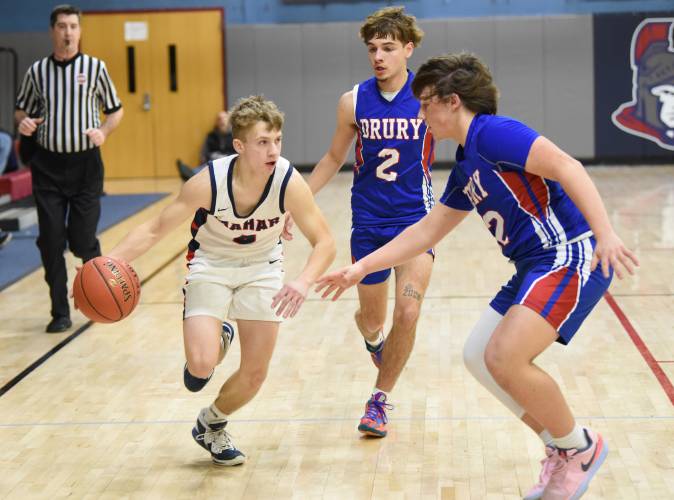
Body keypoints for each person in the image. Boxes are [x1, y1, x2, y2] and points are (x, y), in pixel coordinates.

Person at [316, 52, 639, 499]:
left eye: (425, 103)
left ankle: (579, 447)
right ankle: (560, 448)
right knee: (477, 356)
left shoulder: (494, 134)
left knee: (505, 355)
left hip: (568, 253)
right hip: (533, 265)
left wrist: (604, 233)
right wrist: (360, 268)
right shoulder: (468, 161)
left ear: (452, 102)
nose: (420, 112)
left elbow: (568, 166)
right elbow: (428, 229)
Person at [108, 95, 335, 466]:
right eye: (263, 142)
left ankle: (211, 424)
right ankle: (217, 340)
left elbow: (325, 241)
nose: (273, 150)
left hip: (263, 267)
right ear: (239, 146)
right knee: (199, 367)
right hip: (211, 265)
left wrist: (304, 281)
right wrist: (105, 263)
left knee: (255, 373)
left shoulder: (289, 181)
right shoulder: (207, 182)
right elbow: (153, 230)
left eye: (277, 140)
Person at [299, 6, 434, 438]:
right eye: (373, 48)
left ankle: (378, 402)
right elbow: (333, 158)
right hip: (370, 223)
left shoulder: (429, 96)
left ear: (408, 49)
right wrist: (292, 202)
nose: (379, 56)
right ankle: (372, 338)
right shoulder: (352, 101)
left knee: (408, 312)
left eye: (389, 48)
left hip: (416, 222)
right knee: (373, 320)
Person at [15, 4, 123, 333]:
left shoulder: (95, 68)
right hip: (48, 167)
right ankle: (59, 311)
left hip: (86, 167)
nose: (68, 32)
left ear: (80, 31)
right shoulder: (37, 72)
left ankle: (98, 298)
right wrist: (25, 123)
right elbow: (22, 111)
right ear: (52, 31)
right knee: (50, 240)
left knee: (83, 241)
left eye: (73, 26)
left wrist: (103, 131)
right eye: (62, 26)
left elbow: (116, 110)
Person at [177, 111, 236, 181]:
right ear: (216, 122)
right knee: (204, 168)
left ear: (229, 120)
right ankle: (190, 174)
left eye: (224, 118)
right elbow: (204, 151)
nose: (222, 121)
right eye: (219, 119)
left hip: (229, 162)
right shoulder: (211, 136)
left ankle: (192, 176)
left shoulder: (234, 134)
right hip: (213, 162)